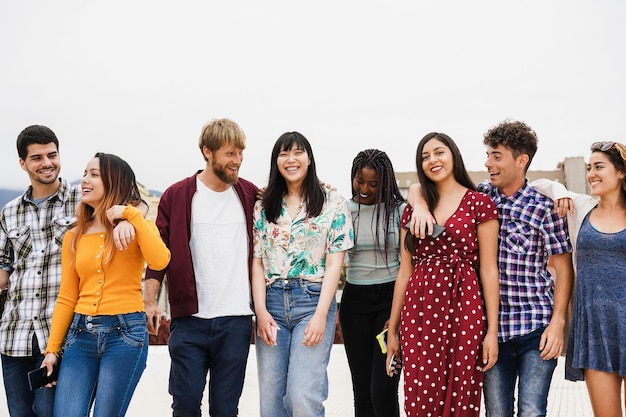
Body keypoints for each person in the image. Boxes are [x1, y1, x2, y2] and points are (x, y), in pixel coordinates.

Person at [409, 121, 575, 417]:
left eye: (496, 156)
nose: (488, 163)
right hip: (491, 328)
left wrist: (558, 322)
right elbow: (423, 186)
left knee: (531, 410)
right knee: (496, 413)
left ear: (521, 160)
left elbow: (563, 269)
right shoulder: (483, 196)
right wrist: (419, 205)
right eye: (488, 155)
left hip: (535, 327)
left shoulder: (545, 207)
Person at [0, 126, 138, 417]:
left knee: (54, 412)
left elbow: (132, 201)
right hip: (15, 334)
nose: (47, 162)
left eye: (52, 155)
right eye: (37, 158)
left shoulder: (84, 198)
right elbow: (4, 267)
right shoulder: (9, 212)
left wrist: (127, 220)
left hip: (63, 334)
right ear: (23, 164)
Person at [143, 118, 258, 417]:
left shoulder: (249, 195)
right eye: (230, 154)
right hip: (189, 321)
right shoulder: (176, 195)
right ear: (208, 152)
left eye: (240, 153)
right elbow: (159, 254)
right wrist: (149, 302)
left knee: (225, 409)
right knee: (185, 404)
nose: (237, 161)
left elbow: (290, 203)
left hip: (236, 321)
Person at [40, 152, 170, 416]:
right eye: (85, 174)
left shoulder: (136, 227)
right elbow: (67, 296)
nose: (85, 180)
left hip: (125, 335)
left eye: (94, 174)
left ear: (114, 181)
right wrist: (52, 350)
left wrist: (130, 215)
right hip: (80, 335)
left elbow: (160, 259)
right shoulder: (73, 236)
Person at [388, 132, 500, 417]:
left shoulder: (480, 203)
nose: (432, 160)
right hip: (420, 309)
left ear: (454, 156)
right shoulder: (413, 210)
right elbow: (404, 272)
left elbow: (488, 270)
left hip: (465, 306)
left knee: (463, 391)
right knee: (419, 395)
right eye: (425, 157)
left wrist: (492, 332)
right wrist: (393, 329)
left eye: (439, 152)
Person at [251, 131, 354, 417]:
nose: (291, 159)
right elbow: (258, 263)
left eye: (297, 152)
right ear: (276, 161)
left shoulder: (333, 202)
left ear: (309, 159)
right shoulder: (263, 205)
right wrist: (260, 311)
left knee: (302, 397)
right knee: (271, 403)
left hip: (312, 301)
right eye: (283, 154)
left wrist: (322, 315)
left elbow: (335, 263)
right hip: (271, 302)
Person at [534, 141, 626, 417]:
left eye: (599, 167)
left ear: (621, 173)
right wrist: (561, 192)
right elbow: (537, 184)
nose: (591, 174)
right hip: (595, 328)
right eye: (589, 168)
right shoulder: (582, 208)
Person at [338, 149, 405, 417]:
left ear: (385, 182)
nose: (364, 189)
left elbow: (408, 265)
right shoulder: (344, 210)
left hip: (390, 300)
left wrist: (398, 315)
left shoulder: (399, 211)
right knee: (362, 392)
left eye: (373, 183)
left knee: (384, 389)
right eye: (359, 181)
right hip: (355, 304)